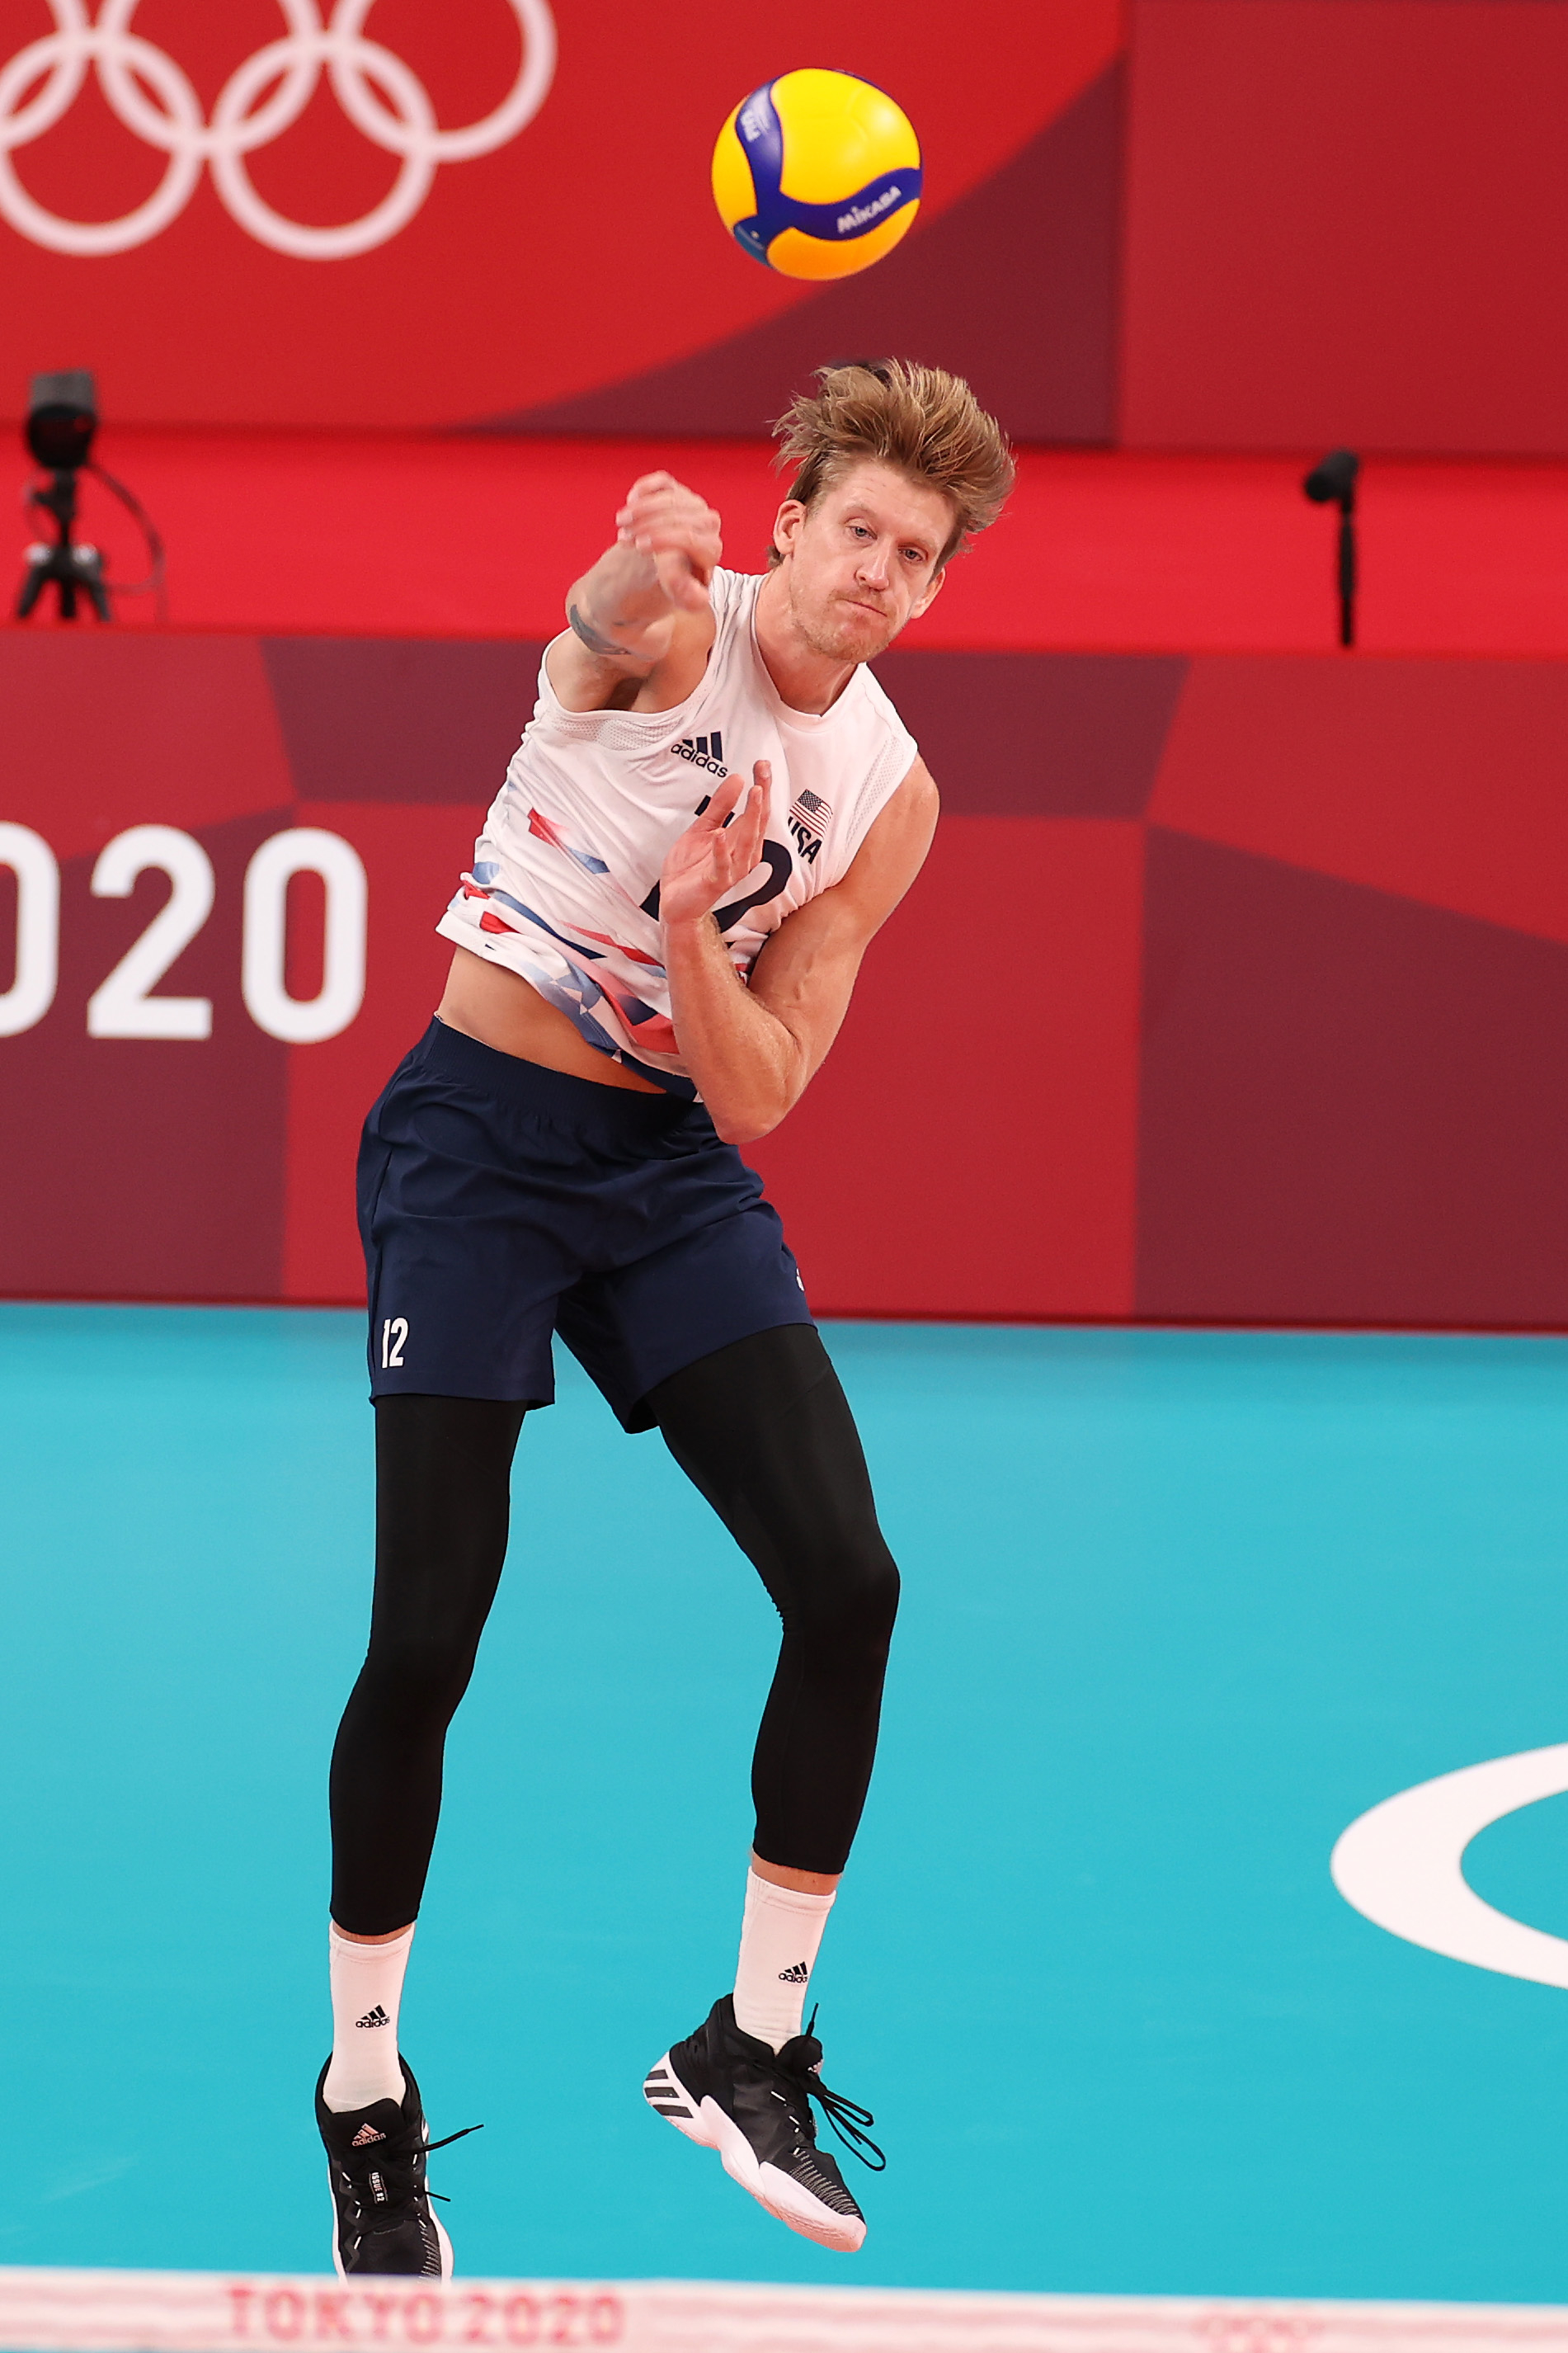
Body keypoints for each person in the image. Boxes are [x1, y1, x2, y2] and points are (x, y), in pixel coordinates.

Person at [313, 360, 1015, 2276]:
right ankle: (365, 2084)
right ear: (789, 520)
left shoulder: (891, 791)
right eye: (857, 528)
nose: (878, 572)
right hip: (472, 1140)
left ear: (936, 593)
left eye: (917, 557)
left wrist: (703, 926)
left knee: (849, 1580)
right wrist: (640, 552)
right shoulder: (663, 625)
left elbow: (770, 1079)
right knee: (428, 1632)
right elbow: (599, 620)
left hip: (666, 1165)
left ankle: (752, 2042)